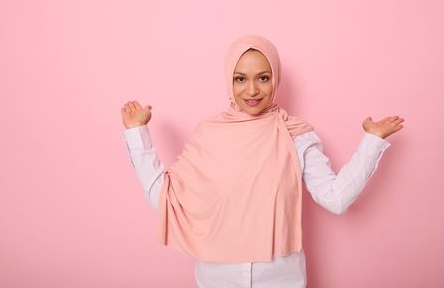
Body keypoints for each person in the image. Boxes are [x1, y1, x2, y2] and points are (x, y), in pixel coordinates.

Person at [120, 34, 404, 287]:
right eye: (240, 78)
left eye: (263, 78)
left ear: (275, 79)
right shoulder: (208, 134)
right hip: (218, 279)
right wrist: (137, 134)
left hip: (282, 279)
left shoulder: (296, 135)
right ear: (228, 80)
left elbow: (336, 199)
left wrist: (372, 142)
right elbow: (163, 198)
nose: (252, 90)